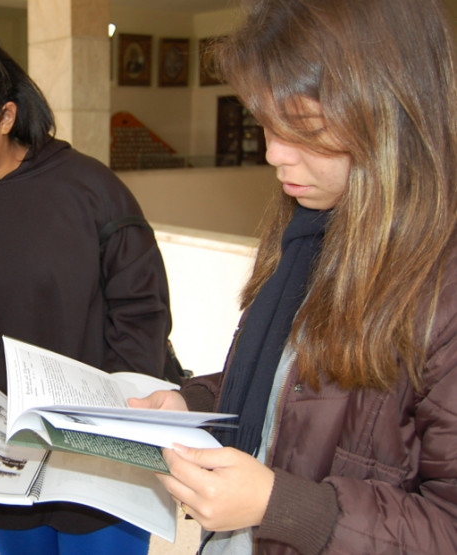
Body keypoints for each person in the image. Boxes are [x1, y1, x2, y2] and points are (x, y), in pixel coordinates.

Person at [129, 0, 457, 553]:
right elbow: (288, 389)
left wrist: (281, 506)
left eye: (303, 129)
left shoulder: (441, 286)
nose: (273, 153)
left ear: (389, 115)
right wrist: (197, 406)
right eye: (266, 123)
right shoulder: (309, 228)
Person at [0, 26, 173, 555]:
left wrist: (108, 427)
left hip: (100, 459)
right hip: (4, 460)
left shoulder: (91, 191)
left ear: (5, 116)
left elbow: (142, 315)